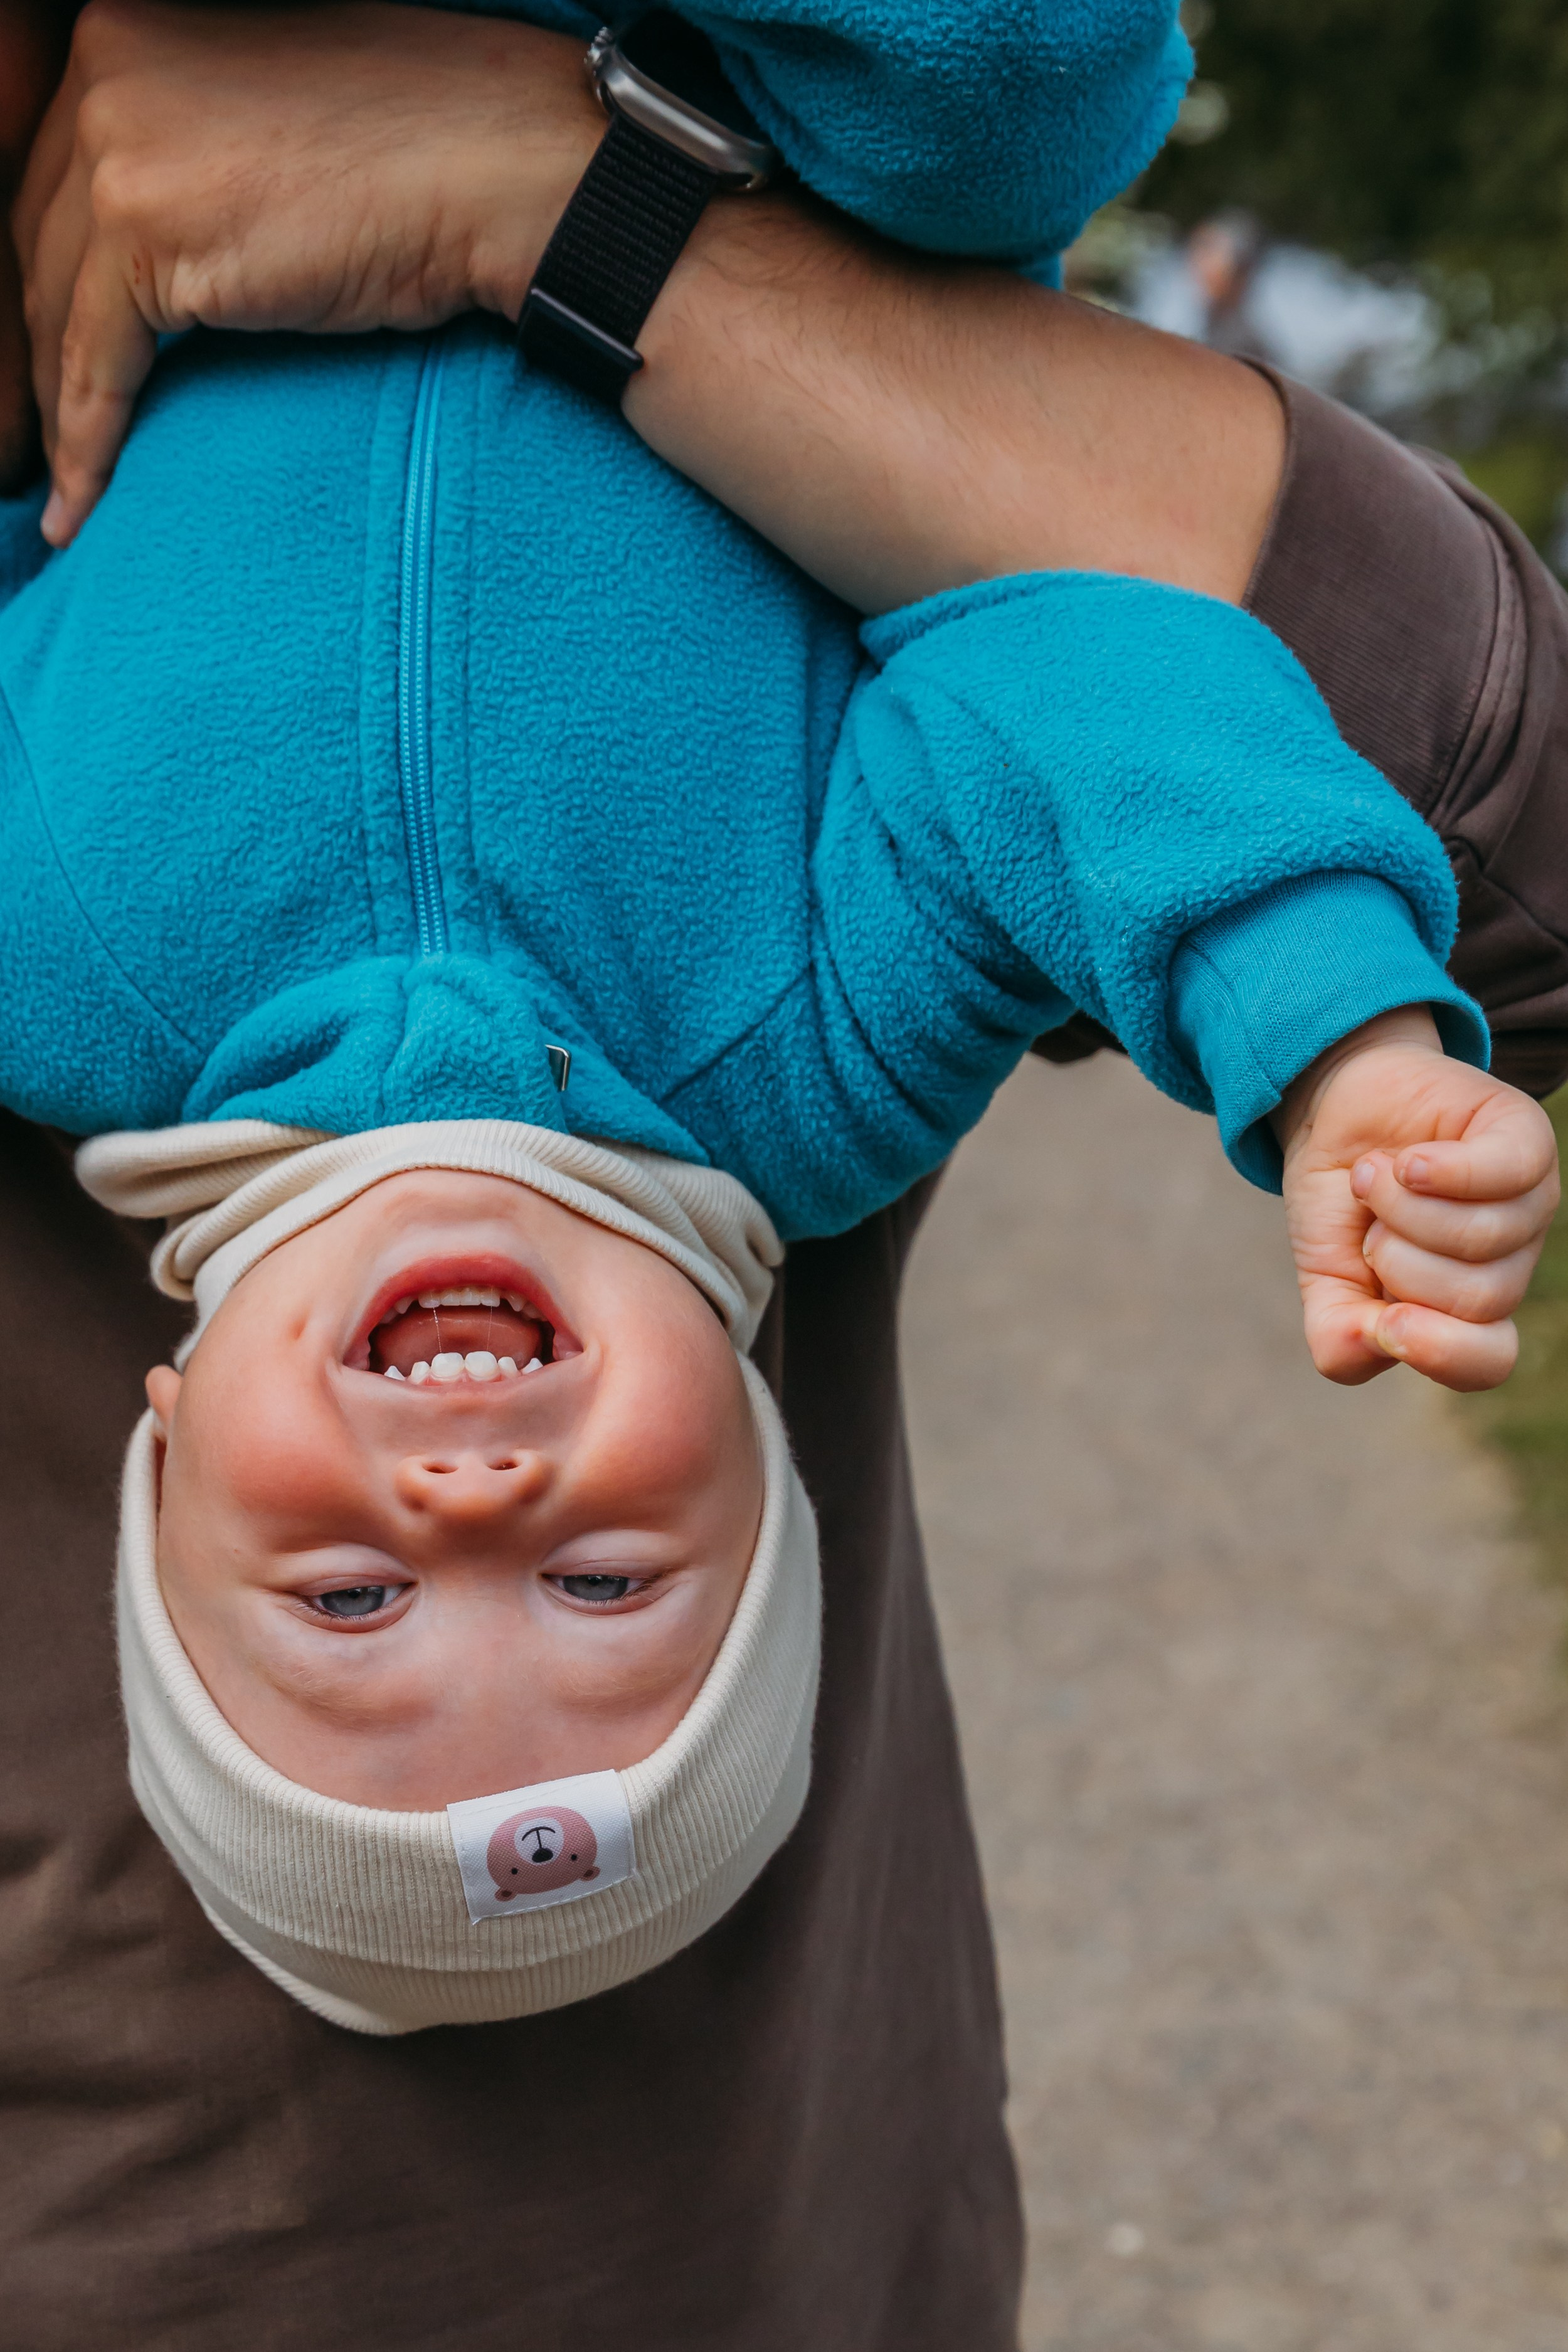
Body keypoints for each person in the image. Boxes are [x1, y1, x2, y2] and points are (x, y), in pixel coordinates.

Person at [5, 7, 1568, 2343]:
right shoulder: (813, 1055)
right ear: (756, 1467)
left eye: (343, 1609)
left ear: (166, 1461)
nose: (468, 1516)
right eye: (611, 1580)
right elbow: (1060, 704)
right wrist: (1324, 1032)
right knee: (996, 84)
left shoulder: (65, 983)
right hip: (761, 92)